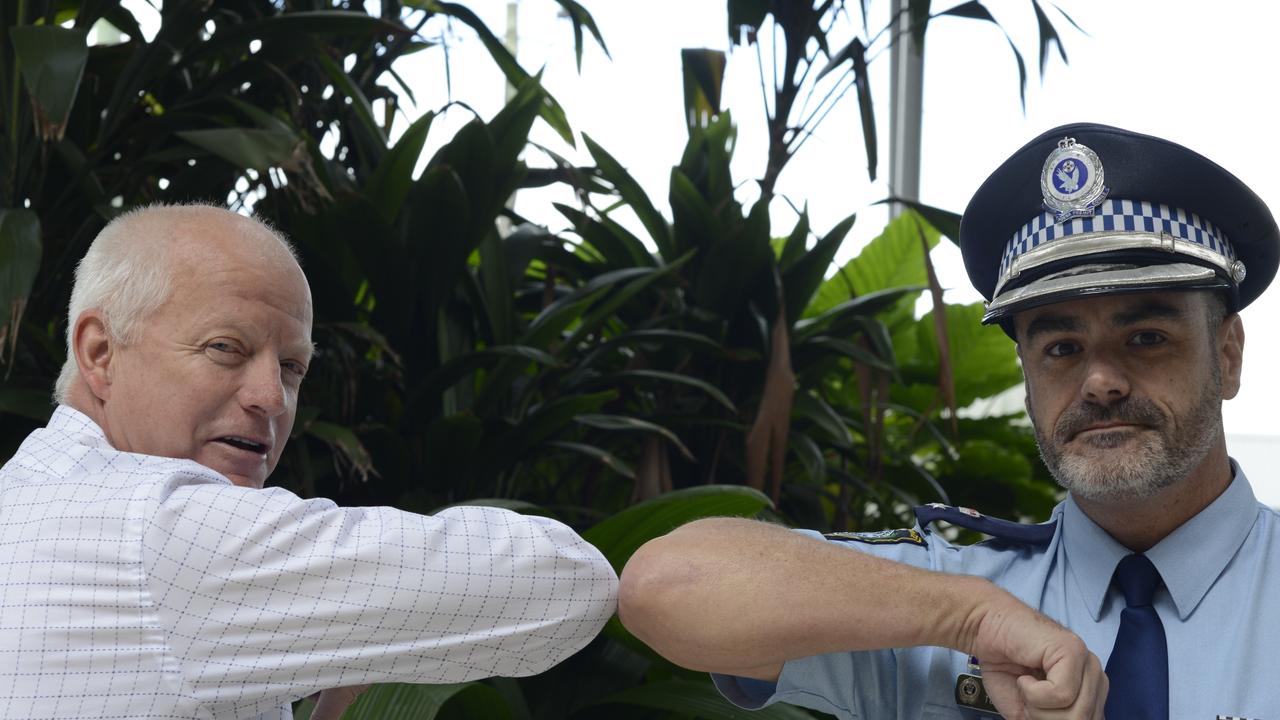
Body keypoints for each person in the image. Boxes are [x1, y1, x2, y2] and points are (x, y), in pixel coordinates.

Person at [618, 123, 1280, 719]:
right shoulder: (942, 590)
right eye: (1061, 348)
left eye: (1145, 339)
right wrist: (970, 617)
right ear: (1027, 371)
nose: (1100, 382)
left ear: (1227, 354)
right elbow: (662, 585)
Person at [0, 204, 618, 719]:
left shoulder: (24, 495)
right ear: (101, 352)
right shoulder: (161, 525)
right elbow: (566, 583)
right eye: (225, 348)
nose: (272, 398)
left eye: (292, 368)